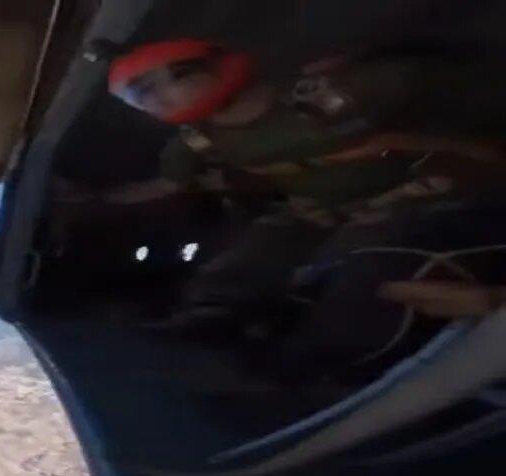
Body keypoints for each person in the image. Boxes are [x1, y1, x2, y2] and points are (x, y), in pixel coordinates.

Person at [83, 39, 506, 380]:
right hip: (321, 207)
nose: (152, 104)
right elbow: (170, 184)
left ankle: (325, 356)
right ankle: (217, 314)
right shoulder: (195, 143)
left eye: (153, 88)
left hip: (417, 188)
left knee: (368, 261)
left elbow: (474, 103)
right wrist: (95, 203)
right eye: (140, 98)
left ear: (198, 70)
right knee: (259, 246)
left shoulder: (348, 90)